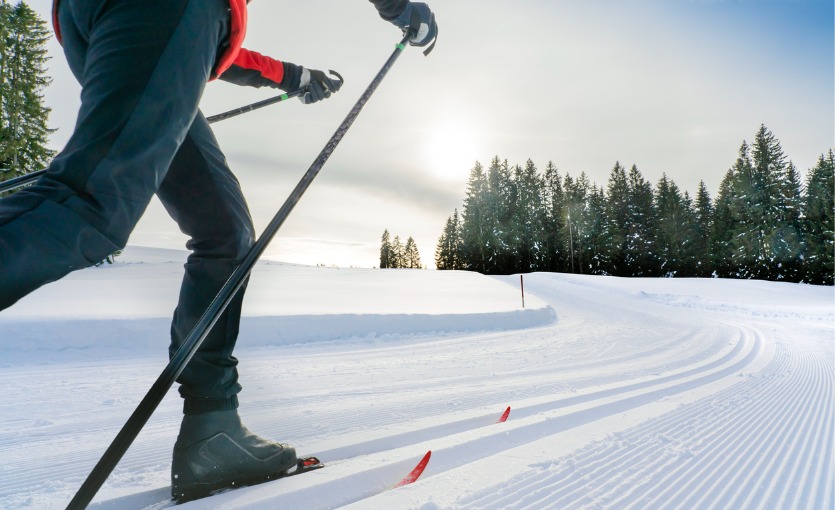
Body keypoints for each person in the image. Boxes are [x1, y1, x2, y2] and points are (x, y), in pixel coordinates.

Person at [0, 0, 437, 502]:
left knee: (225, 235)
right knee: (92, 202)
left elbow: (196, 45)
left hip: (123, 23)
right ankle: (213, 428)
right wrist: (401, 8)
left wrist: (292, 77)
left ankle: (214, 429)